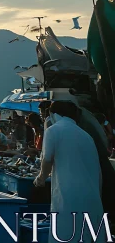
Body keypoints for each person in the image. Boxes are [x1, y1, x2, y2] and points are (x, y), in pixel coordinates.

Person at [35, 101, 103, 243]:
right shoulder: (86, 135)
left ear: (53, 115)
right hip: (92, 196)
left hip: (69, 195)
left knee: (66, 234)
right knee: (89, 235)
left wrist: (41, 178)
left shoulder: (53, 130)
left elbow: (47, 159)